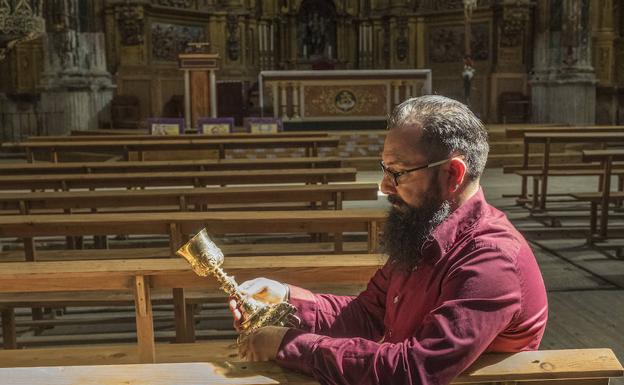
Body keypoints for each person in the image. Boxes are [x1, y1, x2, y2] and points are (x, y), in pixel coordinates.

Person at [230, 95, 548, 385]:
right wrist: (286, 299)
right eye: (384, 169)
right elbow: (367, 314)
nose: (384, 186)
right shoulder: (424, 227)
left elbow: (412, 370)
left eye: (397, 172)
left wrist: (287, 344)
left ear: (453, 174)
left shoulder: (491, 259)